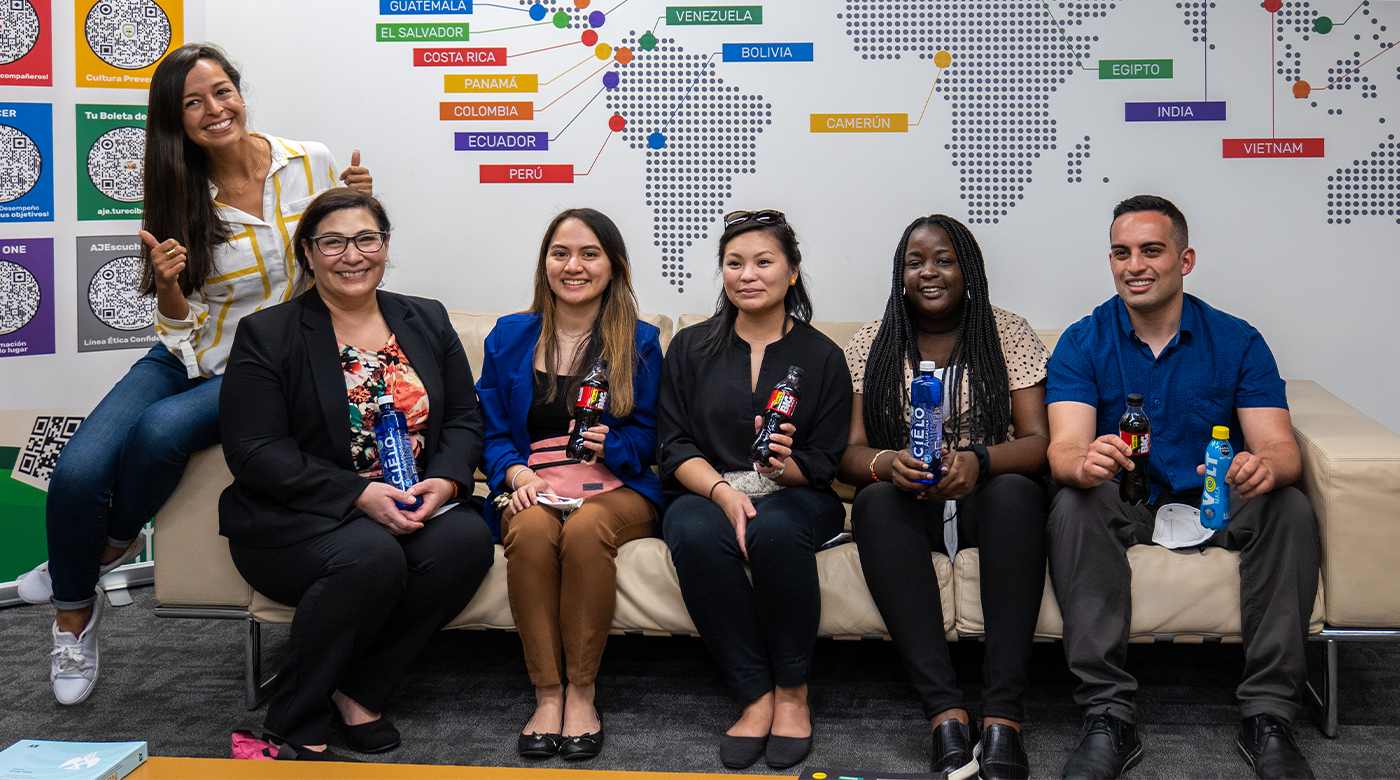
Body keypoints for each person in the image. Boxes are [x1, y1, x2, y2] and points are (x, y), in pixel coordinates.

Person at [20, 42, 371, 706]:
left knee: (158, 433)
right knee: (76, 468)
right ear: (175, 121)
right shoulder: (176, 192)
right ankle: (79, 611)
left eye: (222, 92)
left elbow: (347, 258)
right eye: (193, 103)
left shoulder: (311, 162)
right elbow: (181, 327)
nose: (214, 110)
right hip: (184, 352)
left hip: (264, 365)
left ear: (240, 93)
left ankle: (89, 564)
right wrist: (172, 286)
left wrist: (357, 208)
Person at [1045, 195, 1319, 780]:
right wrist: (1084, 460)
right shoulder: (1082, 340)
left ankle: (1269, 714)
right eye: (1121, 253)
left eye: (1152, 250)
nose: (1134, 266)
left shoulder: (1238, 340)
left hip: (1217, 499)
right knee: (1073, 501)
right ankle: (1106, 715)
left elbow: (1279, 447)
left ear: (1185, 259)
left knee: (1288, 506)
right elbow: (1063, 449)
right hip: (1128, 499)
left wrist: (1265, 466)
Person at [217, 188, 494, 760]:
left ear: (386, 246)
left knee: (468, 540)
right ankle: (295, 715)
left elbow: (466, 418)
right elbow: (254, 451)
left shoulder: (426, 317)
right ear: (308, 253)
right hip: (298, 518)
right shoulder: (269, 334)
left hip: (416, 500)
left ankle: (358, 689)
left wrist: (444, 480)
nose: (353, 255)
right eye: (333, 242)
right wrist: (359, 494)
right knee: (370, 555)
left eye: (367, 239)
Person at [839, 215, 1050, 780]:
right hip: (915, 502)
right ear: (899, 273)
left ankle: (1004, 716)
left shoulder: (1007, 332)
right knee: (874, 502)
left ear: (969, 269)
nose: (928, 272)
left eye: (944, 260)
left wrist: (980, 461)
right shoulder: (873, 341)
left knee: (1014, 495)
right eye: (915, 262)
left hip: (988, 500)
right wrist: (888, 465)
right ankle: (945, 715)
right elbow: (851, 452)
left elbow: (1038, 442)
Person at [658, 209, 853, 771]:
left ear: (792, 271)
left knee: (776, 530)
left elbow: (828, 461)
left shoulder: (822, 356)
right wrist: (721, 492)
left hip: (797, 493)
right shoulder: (691, 347)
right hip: (705, 490)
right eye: (734, 263)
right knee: (693, 533)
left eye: (764, 262)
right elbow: (672, 444)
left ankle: (793, 693)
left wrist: (783, 467)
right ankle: (754, 693)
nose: (748, 274)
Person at [476, 208, 665, 761]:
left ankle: (582, 694)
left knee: (585, 532)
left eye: (589, 254)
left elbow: (656, 435)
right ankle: (547, 693)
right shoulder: (510, 336)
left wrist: (619, 445)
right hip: (536, 480)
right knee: (531, 529)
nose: (573, 265)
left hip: (616, 488)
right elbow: (488, 430)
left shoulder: (642, 341)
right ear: (545, 263)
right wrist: (516, 472)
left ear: (614, 265)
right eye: (561, 253)